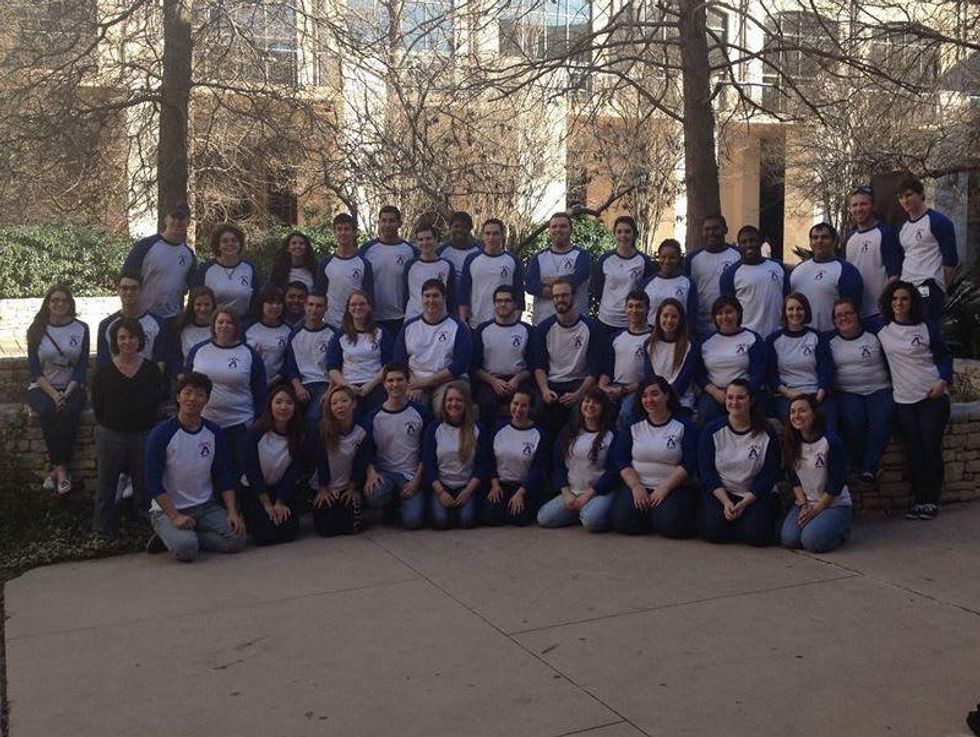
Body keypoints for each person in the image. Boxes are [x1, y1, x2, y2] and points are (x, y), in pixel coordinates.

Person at [144, 372, 246, 561]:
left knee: (238, 539)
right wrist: (175, 517)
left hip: (205, 506)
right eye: (187, 393)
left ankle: (184, 536)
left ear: (207, 400)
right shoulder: (161, 434)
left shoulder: (214, 432)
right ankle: (171, 534)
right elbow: (153, 483)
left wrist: (232, 512)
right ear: (178, 397)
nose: (192, 398)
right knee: (186, 549)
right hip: (169, 509)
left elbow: (224, 475)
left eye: (199, 394)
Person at [877, 280, 953, 520]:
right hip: (904, 401)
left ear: (912, 302)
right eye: (894, 299)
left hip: (931, 397)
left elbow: (944, 355)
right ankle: (919, 500)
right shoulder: (882, 330)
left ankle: (931, 500)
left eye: (904, 299)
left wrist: (943, 381)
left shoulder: (926, 327)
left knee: (930, 448)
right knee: (914, 450)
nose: (899, 303)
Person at [91, 318, 163, 537]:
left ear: (139, 339)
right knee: (107, 484)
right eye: (122, 337)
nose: (127, 342)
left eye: (132, 337)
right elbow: (98, 405)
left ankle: (146, 526)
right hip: (112, 434)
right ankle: (102, 529)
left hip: (144, 434)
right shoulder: (103, 372)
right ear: (115, 341)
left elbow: (157, 400)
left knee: (144, 483)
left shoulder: (151, 370)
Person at [611, 376, 699, 537]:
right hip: (639, 484)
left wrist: (664, 488)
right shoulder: (632, 425)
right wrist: (636, 486)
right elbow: (621, 459)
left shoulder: (684, 426)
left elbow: (689, 463)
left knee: (669, 525)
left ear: (666, 395)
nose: (649, 400)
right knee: (623, 522)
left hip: (673, 486)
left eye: (655, 394)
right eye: (644, 396)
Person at [698, 379, 781, 546]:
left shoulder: (766, 433)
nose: (734, 402)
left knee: (755, 537)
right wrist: (726, 502)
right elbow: (706, 472)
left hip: (754, 494)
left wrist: (745, 502)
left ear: (751, 401)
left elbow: (769, 474)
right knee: (715, 533)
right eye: (730, 397)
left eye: (740, 398)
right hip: (723, 493)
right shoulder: (712, 430)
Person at [26, 284, 89, 495]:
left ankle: (56, 470)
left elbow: (81, 367)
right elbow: (34, 370)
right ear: (48, 303)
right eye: (55, 300)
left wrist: (65, 394)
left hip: (72, 387)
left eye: (64, 300)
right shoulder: (36, 330)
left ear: (70, 303)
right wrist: (54, 395)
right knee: (47, 410)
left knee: (70, 412)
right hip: (42, 388)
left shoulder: (81, 328)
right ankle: (62, 470)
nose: (59, 304)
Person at [185, 307, 267, 467]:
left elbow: (260, 393)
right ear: (213, 325)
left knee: (236, 472)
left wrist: (256, 425)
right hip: (203, 422)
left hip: (239, 424)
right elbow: (187, 386)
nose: (224, 325)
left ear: (236, 326)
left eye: (229, 322)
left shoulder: (249, 354)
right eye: (220, 322)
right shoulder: (198, 351)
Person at [827, 297, 894, 489]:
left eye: (848, 313)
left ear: (858, 315)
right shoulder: (829, 342)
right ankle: (861, 466)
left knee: (881, 419)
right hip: (848, 391)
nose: (844, 318)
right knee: (853, 420)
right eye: (839, 315)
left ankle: (869, 469)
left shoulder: (875, 336)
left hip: (879, 388)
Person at [536, 388, 619, 531]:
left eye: (596, 402)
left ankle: (592, 510)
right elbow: (558, 463)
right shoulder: (569, 431)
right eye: (587, 401)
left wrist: (589, 494)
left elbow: (614, 471)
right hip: (573, 491)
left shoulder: (612, 434)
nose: (590, 405)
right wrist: (566, 492)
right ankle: (582, 510)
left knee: (591, 521)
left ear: (603, 407)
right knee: (545, 518)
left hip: (599, 492)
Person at [779, 395, 852, 553]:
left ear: (814, 413)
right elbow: (794, 479)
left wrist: (816, 510)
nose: (797, 416)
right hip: (807, 501)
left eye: (802, 411)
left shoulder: (831, 442)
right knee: (790, 539)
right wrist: (804, 505)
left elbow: (836, 484)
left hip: (833, 503)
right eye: (793, 412)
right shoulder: (791, 441)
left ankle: (842, 530)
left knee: (811, 541)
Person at [533, 277, 602, 440]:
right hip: (552, 384)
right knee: (538, 411)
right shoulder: (544, 328)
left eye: (564, 295)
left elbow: (595, 369)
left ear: (574, 296)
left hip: (579, 384)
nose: (560, 299)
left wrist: (579, 394)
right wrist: (544, 390)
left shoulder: (590, 328)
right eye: (556, 296)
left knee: (577, 415)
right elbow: (539, 365)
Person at [364, 364, 430, 530]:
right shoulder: (374, 416)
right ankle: (391, 503)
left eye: (400, 380)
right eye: (390, 380)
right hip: (385, 474)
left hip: (410, 476)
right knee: (374, 495)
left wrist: (417, 480)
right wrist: (371, 473)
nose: (395, 384)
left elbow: (427, 451)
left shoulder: (421, 413)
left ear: (408, 382)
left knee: (413, 522)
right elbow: (367, 450)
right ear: (384, 384)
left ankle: (402, 504)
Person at [239, 384, 305, 546]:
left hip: (280, 489)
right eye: (279, 402)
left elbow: (293, 472)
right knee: (264, 536)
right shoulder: (255, 434)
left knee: (288, 533)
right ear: (270, 405)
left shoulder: (299, 435)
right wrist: (267, 504)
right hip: (255, 491)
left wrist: (280, 502)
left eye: (289, 403)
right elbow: (252, 472)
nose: (283, 407)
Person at [393, 279, 471, 410]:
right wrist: (413, 383)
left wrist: (425, 382)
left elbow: (461, 364)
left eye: (435, 296)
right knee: (408, 409)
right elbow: (399, 361)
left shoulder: (458, 327)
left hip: (447, 381)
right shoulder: (409, 327)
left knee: (447, 408)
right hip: (415, 381)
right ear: (422, 298)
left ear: (444, 298)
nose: (431, 300)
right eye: (427, 296)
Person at [423, 382, 489, 530]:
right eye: (450, 400)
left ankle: (458, 511)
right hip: (442, 485)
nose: (454, 404)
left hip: (467, 486)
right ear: (443, 403)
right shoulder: (434, 428)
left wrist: (468, 491)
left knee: (467, 521)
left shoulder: (478, 429)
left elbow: (482, 465)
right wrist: (440, 492)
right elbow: (429, 464)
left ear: (467, 403)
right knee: (440, 522)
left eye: (459, 400)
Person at [311, 385, 374, 536]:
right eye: (334, 403)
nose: (339, 406)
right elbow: (320, 462)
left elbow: (362, 460)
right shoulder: (321, 430)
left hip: (348, 485)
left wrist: (353, 486)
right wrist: (323, 488)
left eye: (344, 401)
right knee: (326, 531)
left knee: (351, 528)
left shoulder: (363, 428)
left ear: (354, 404)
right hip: (325, 486)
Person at [693, 296, 766, 425]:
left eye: (729, 312)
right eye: (719, 313)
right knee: (705, 414)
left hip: (745, 394)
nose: (725, 317)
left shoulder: (752, 339)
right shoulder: (705, 341)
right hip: (715, 394)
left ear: (738, 313)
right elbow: (699, 373)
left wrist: (738, 395)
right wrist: (715, 392)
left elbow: (757, 373)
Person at [897, 176, 958, 324]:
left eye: (909, 195)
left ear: (921, 194)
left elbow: (950, 262)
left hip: (929, 286)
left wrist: (940, 287)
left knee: (929, 330)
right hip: (906, 287)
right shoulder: (903, 228)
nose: (905, 200)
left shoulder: (938, 221)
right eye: (901, 197)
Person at [482, 388, 548, 526]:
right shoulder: (499, 428)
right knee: (491, 518)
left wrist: (521, 492)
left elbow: (537, 469)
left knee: (518, 519)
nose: (518, 409)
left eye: (524, 406)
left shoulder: (538, 434)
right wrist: (494, 484)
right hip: (500, 485)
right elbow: (489, 459)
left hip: (523, 487)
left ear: (530, 408)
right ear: (510, 404)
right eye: (515, 403)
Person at [470, 285, 534, 424]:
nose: (503, 304)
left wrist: (516, 380)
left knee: (532, 405)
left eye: (507, 301)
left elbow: (533, 364)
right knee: (487, 404)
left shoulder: (526, 330)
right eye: (499, 301)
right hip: (490, 381)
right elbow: (474, 366)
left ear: (515, 304)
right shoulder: (482, 330)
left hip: (518, 381)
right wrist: (493, 381)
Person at [765, 293, 834, 420]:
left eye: (799, 308)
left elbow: (826, 369)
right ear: (785, 312)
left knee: (827, 422)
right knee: (798, 422)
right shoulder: (773, 340)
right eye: (790, 309)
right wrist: (789, 393)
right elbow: (771, 375)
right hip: (787, 395)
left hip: (816, 394)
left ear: (806, 311)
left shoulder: (817, 337)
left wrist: (818, 397)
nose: (795, 313)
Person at [121, 202, 195, 321]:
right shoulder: (145, 246)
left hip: (173, 319)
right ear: (166, 219)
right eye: (174, 217)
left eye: (182, 218)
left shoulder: (189, 255)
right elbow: (126, 279)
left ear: (188, 222)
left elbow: (194, 289)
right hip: (143, 316)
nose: (177, 222)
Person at [326, 289, 393, 416]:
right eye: (353, 304)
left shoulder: (381, 332)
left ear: (369, 307)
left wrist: (370, 385)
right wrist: (347, 386)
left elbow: (388, 365)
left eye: (362, 304)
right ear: (348, 309)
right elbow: (332, 368)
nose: (358, 307)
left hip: (376, 384)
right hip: (348, 386)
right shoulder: (339, 336)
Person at [843, 186, 902, 324]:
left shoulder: (885, 233)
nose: (859, 209)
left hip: (879, 313)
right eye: (854, 205)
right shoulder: (849, 237)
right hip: (855, 314)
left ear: (873, 206)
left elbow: (895, 274)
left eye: (863, 204)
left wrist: (885, 303)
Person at [592, 215, 655, 344]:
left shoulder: (644, 261)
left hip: (632, 322)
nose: (623, 235)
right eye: (619, 232)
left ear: (634, 234)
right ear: (614, 234)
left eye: (627, 231)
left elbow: (648, 292)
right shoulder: (605, 260)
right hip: (606, 321)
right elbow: (597, 288)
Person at [789, 222, 864, 332]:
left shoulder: (847, 271)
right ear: (810, 243)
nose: (819, 241)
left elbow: (853, 308)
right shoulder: (798, 270)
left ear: (834, 241)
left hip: (832, 335)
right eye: (815, 238)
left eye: (824, 237)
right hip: (803, 337)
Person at [719, 225, 789, 337]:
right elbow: (727, 309)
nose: (748, 245)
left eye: (752, 240)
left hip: (777, 335)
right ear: (738, 245)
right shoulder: (730, 274)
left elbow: (788, 299)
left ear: (760, 242)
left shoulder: (778, 267)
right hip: (746, 337)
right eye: (743, 242)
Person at [95, 274, 171, 377]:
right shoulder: (106, 325)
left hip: (148, 382)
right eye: (124, 288)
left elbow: (160, 362)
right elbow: (103, 363)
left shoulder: (159, 324)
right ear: (118, 290)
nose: (129, 292)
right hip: (115, 382)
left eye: (134, 288)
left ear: (142, 291)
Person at [359, 205, 417, 335]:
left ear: (400, 224)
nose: (387, 225)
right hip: (373, 317)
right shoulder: (366, 250)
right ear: (378, 223)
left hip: (401, 317)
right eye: (384, 220)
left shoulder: (410, 251)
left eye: (392, 221)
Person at [525, 212, 591, 325]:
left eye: (563, 226)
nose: (558, 230)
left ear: (571, 230)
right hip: (543, 323)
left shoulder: (582, 255)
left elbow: (578, 277)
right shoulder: (539, 257)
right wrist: (547, 291)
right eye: (554, 226)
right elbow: (530, 284)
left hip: (576, 325)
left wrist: (552, 281)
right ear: (549, 230)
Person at [598, 290, 652, 425]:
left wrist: (624, 390)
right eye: (630, 306)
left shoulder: (653, 338)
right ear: (625, 309)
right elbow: (607, 369)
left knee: (626, 413)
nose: (634, 310)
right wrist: (602, 387)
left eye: (639, 306)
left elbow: (651, 375)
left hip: (639, 388)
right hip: (614, 386)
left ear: (647, 309)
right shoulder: (616, 337)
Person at [458, 218, 524, 328]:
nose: (491, 237)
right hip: (476, 323)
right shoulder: (471, 259)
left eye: (495, 234)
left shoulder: (512, 260)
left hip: (504, 323)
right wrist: (463, 319)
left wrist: (516, 320)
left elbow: (519, 293)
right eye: (487, 233)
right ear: (483, 236)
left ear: (502, 236)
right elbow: (463, 291)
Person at [283, 292, 335, 429]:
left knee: (313, 418)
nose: (314, 309)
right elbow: (291, 367)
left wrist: (330, 391)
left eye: (319, 306)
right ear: (305, 306)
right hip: (302, 384)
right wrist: (298, 388)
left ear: (325, 308)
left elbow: (337, 367)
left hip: (325, 384)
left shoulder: (333, 334)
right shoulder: (294, 334)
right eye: (311, 305)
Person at [316, 213, 375, 330]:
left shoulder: (364, 264)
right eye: (339, 229)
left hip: (356, 323)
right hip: (331, 323)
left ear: (354, 232)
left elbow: (369, 297)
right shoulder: (325, 263)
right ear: (334, 232)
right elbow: (320, 295)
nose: (343, 233)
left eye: (347, 229)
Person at [684, 214, 740, 335]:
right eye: (707, 229)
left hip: (729, 322)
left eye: (715, 228)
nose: (711, 233)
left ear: (725, 230)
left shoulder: (738, 255)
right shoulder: (692, 259)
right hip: (700, 325)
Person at [191, 223, 259, 317]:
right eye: (225, 241)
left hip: (244, 322)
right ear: (218, 245)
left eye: (234, 240)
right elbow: (195, 299)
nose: (230, 244)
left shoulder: (249, 268)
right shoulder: (205, 269)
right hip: (213, 322)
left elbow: (257, 299)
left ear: (240, 244)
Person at [643, 298, 696, 413]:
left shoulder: (690, 345)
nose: (669, 320)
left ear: (680, 320)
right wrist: (658, 398)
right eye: (665, 316)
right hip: (654, 400)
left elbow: (685, 379)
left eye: (674, 317)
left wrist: (667, 401)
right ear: (659, 318)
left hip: (681, 400)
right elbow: (649, 376)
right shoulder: (649, 344)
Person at [403, 223, 456, 320]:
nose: (425, 243)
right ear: (416, 242)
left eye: (428, 238)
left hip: (439, 319)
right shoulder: (410, 265)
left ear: (436, 240)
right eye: (420, 239)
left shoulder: (447, 266)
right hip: (413, 318)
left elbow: (451, 297)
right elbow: (405, 293)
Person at [244, 286, 293, 386]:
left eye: (278, 303)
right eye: (270, 303)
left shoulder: (289, 331)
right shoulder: (247, 328)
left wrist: (273, 381)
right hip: (248, 382)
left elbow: (289, 363)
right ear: (262, 304)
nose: (275, 307)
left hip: (278, 384)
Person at [643, 238, 697, 326]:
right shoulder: (647, 283)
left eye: (672, 258)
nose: (667, 261)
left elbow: (692, 316)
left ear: (679, 258)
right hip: (651, 331)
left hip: (678, 332)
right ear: (659, 257)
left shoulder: (688, 283)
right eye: (663, 257)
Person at [438, 211, 482, 307]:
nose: (459, 230)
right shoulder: (442, 251)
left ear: (470, 229)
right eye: (456, 226)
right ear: (450, 228)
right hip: (448, 303)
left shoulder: (479, 251)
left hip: (473, 303)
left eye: (464, 227)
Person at [174, 286, 216, 368]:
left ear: (213, 305)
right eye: (198, 304)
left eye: (207, 305)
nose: (203, 309)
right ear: (192, 305)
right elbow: (176, 358)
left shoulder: (219, 329)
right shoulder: (182, 328)